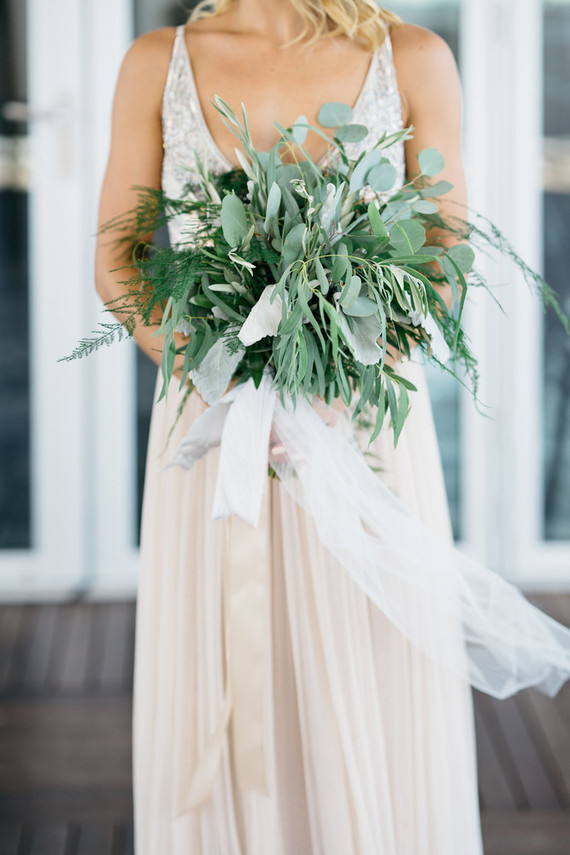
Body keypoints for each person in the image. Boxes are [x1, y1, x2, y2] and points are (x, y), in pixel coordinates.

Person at [95, 2, 485, 852]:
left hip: (362, 428)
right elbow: (118, 260)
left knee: (372, 673)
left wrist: (332, 380)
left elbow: (444, 259)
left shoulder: (414, 57)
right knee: (226, 669)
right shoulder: (156, 61)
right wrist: (232, 379)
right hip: (213, 427)